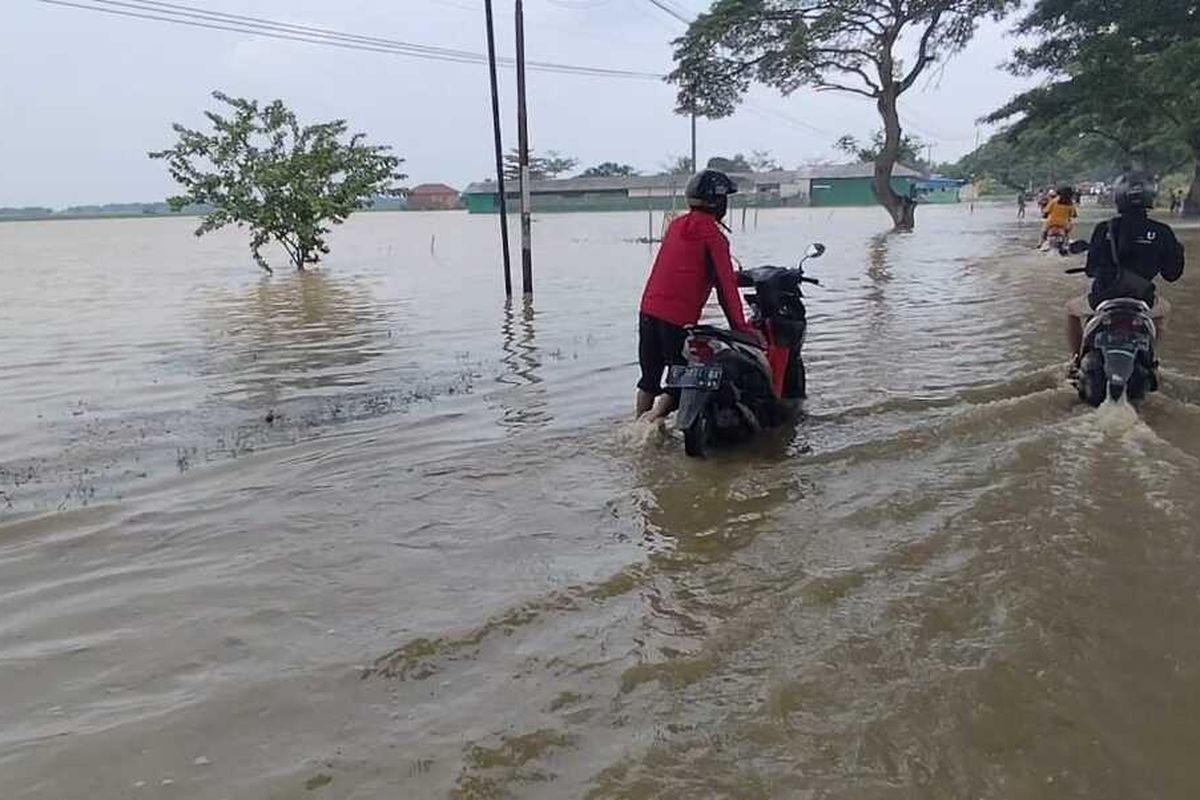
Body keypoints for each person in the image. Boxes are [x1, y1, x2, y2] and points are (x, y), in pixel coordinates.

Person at [635, 169, 757, 422]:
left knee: (649, 378)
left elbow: (686, 268)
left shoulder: (677, 226)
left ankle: (637, 424)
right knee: (684, 379)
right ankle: (653, 420)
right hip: (678, 320)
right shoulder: (714, 236)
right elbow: (726, 289)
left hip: (648, 311)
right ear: (718, 201)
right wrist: (742, 329)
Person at [1065, 171, 1185, 363]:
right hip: (1142, 298)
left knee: (1071, 309)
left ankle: (1077, 359)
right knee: (1164, 311)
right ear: (1149, 196)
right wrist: (1178, 251)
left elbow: (1091, 269)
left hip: (1102, 297)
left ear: (1118, 196)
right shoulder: (1163, 232)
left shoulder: (1104, 228)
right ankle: (1151, 358)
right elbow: (1172, 274)